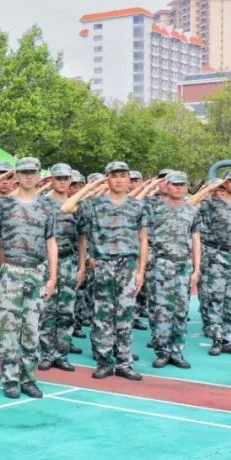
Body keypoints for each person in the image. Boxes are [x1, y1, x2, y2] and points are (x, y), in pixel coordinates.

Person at [0, 158, 57, 398]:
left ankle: (28, 378)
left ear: (39, 175)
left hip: (37, 272)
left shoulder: (47, 206)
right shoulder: (4, 204)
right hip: (12, 272)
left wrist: (53, 277)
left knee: (31, 329)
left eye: (32, 172)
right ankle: (9, 379)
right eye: (24, 172)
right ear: (17, 175)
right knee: (8, 329)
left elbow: (51, 241)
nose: (28, 176)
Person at [61, 162, 146, 380]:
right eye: (114, 176)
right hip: (103, 265)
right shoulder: (94, 204)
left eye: (123, 176)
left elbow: (143, 240)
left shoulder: (138, 206)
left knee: (125, 315)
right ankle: (105, 361)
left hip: (127, 265)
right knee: (103, 316)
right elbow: (67, 207)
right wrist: (94, 185)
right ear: (107, 179)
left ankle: (125, 362)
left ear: (129, 179)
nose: (118, 180)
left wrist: (141, 271)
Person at [136, 171, 200, 369]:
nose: (178, 187)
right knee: (159, 311)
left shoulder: (192, 211)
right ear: (166, 186)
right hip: (160, 265)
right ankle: (162, 351)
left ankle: (177, 351)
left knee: (180, 311)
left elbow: (196, 240)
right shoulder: (153, 208)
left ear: (187, 187)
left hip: (183, 265)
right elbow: (144, 238)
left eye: (182, 184)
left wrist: (197, 269)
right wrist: (142, 267)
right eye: (174, 184)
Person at [189, 170, 231, 356]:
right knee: (216, 300)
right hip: (215, 258)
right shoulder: (212, 203)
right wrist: (211, 186)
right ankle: (218, 340)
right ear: (224, 184)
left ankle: (229, 340)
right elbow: (189, 204)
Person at [38, 163, 80, 372]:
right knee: (47, 310)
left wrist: (81, 266)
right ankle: (46, 354)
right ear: (51, 180)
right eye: (59, 178)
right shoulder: (43, 204)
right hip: (48, 262)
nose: (62, 181)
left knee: (66, 310)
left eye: (66, 178)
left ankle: (61, 354)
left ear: (70, 180)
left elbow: (83, 237)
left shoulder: (77, 205)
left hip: (70, 262)